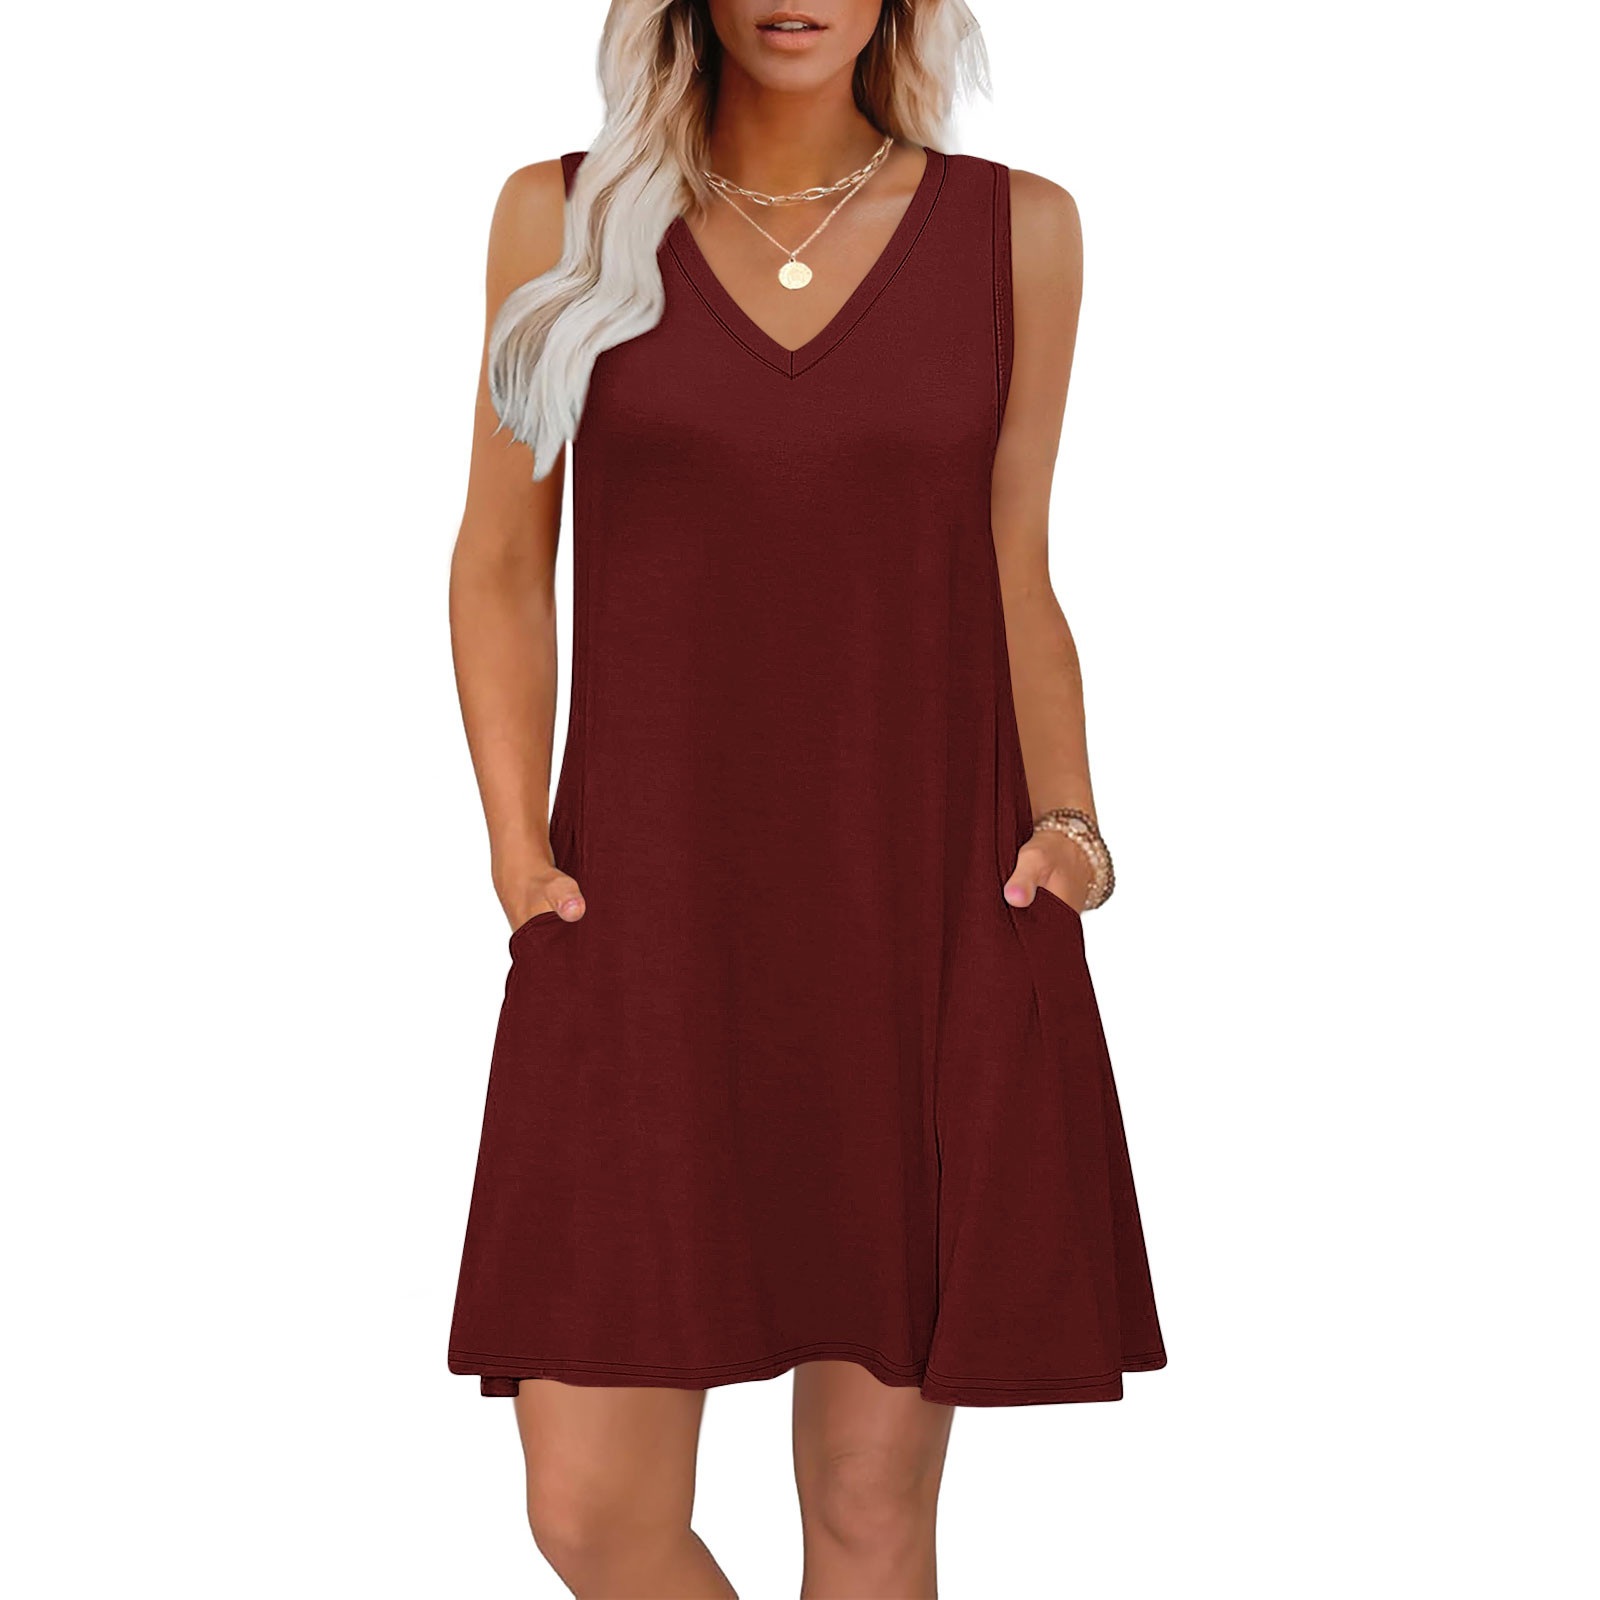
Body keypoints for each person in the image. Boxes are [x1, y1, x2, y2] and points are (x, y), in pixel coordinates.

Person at [446, 2, 1166, 1593]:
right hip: (640, 916)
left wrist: (1071, 826)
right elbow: (499, 558)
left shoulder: (1018, 234)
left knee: (866, 1504)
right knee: (590, 1504)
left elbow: (1017, 566)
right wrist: (517, 854)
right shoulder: (561, 217)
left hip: (917, 908)